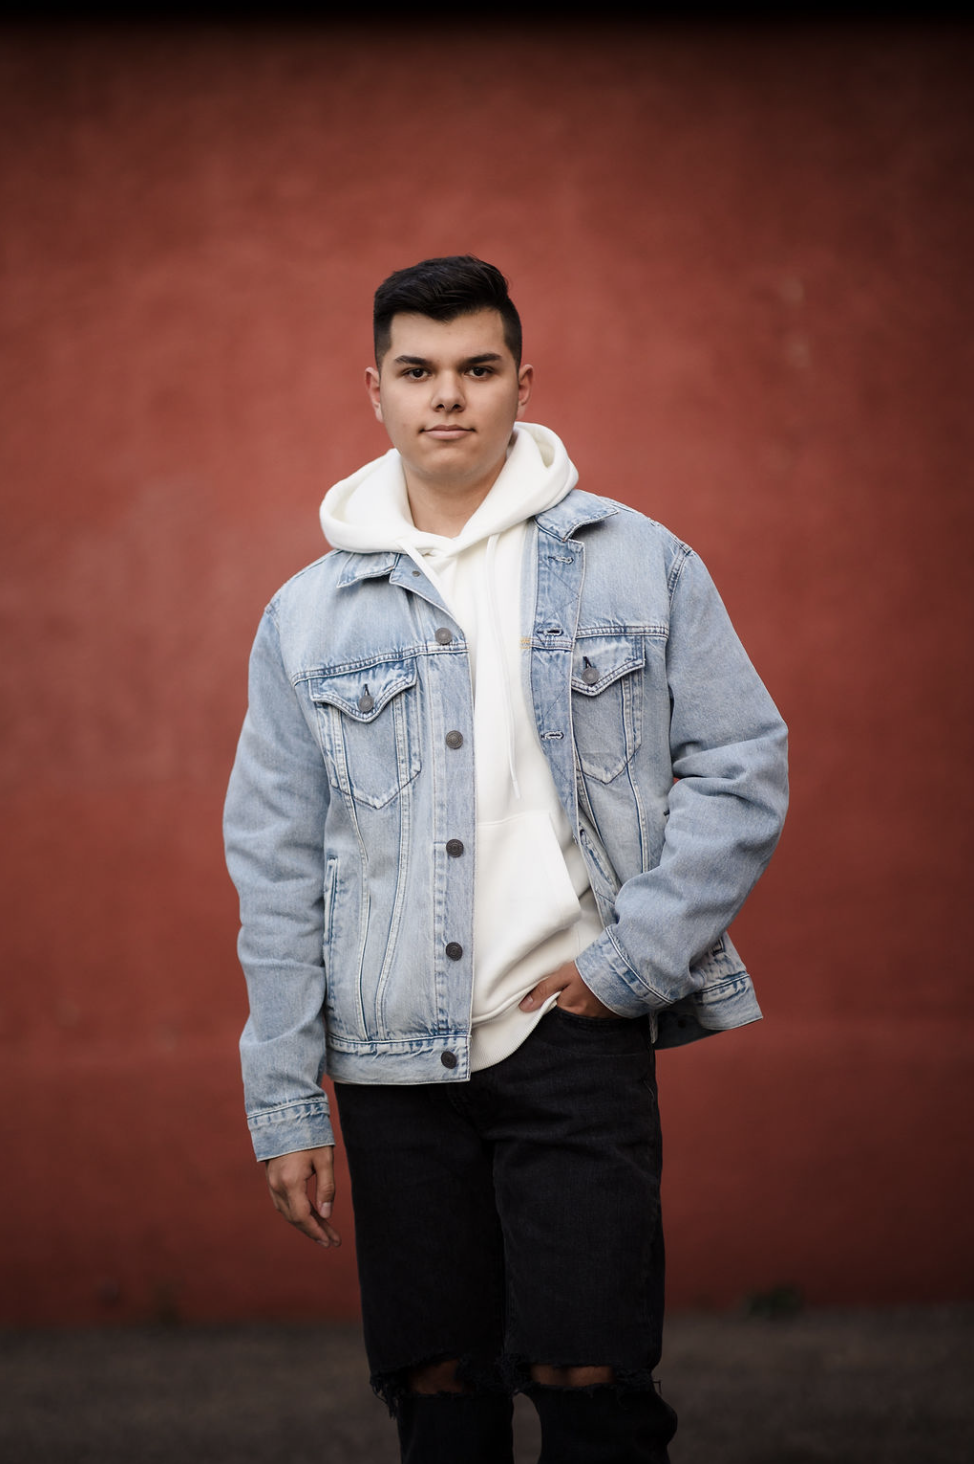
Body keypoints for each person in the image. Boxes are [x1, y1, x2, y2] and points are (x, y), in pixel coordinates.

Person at [224, 255, 788, 1463]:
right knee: (438, 1391)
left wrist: (631, 962)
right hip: (387, 1056)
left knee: (591, 1378)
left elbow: (740, 764)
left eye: (476, 370)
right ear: (369, 389)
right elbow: (274, 862)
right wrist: (284, 1099)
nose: (447, 397)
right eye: (416, 371)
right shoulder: (306, 617)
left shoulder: (640, 562)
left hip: (571, 1032)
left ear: (521, 383)